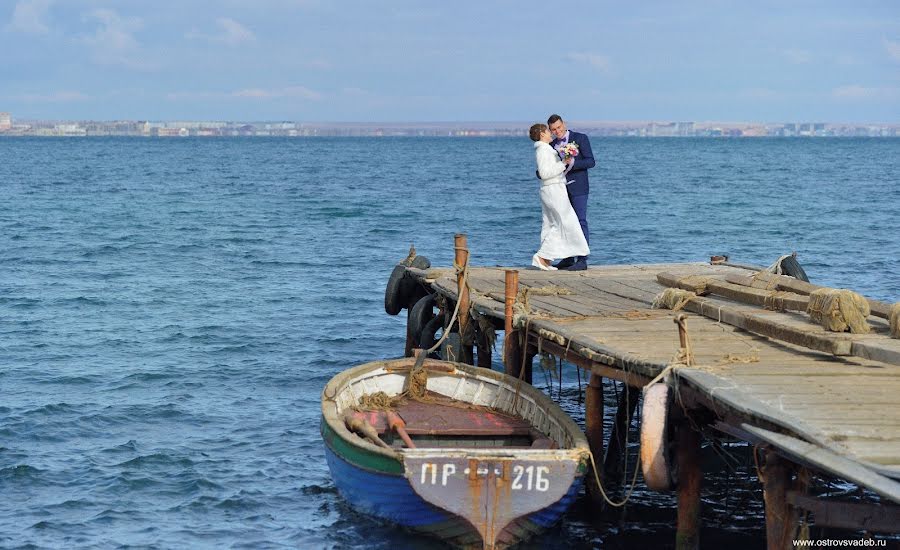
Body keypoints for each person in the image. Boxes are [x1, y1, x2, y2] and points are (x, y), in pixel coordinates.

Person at [528, 123, 590, 271]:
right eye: (549, 131)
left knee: (550, 223)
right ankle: (543, 256)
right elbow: (544, 173)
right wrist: (563, 163)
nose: (552, 133)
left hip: (554, 188)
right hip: (553, 190)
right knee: (564, 223)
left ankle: (546, 260)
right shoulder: (543, 150)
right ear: (542, 134)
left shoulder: (546, 148)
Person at [547, 114, 594, 270]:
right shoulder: (551, 145)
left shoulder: (580, 138)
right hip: (560, 188)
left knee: (580, 221)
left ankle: (582, 259)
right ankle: (567, 258)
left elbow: (590, 161)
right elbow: (548, 167)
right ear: (550, 130)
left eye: (559, 127)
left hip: (579, 187)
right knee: (564, 222)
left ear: (564, 124)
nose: (557, 131)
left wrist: (573, 163)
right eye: (553, 129)